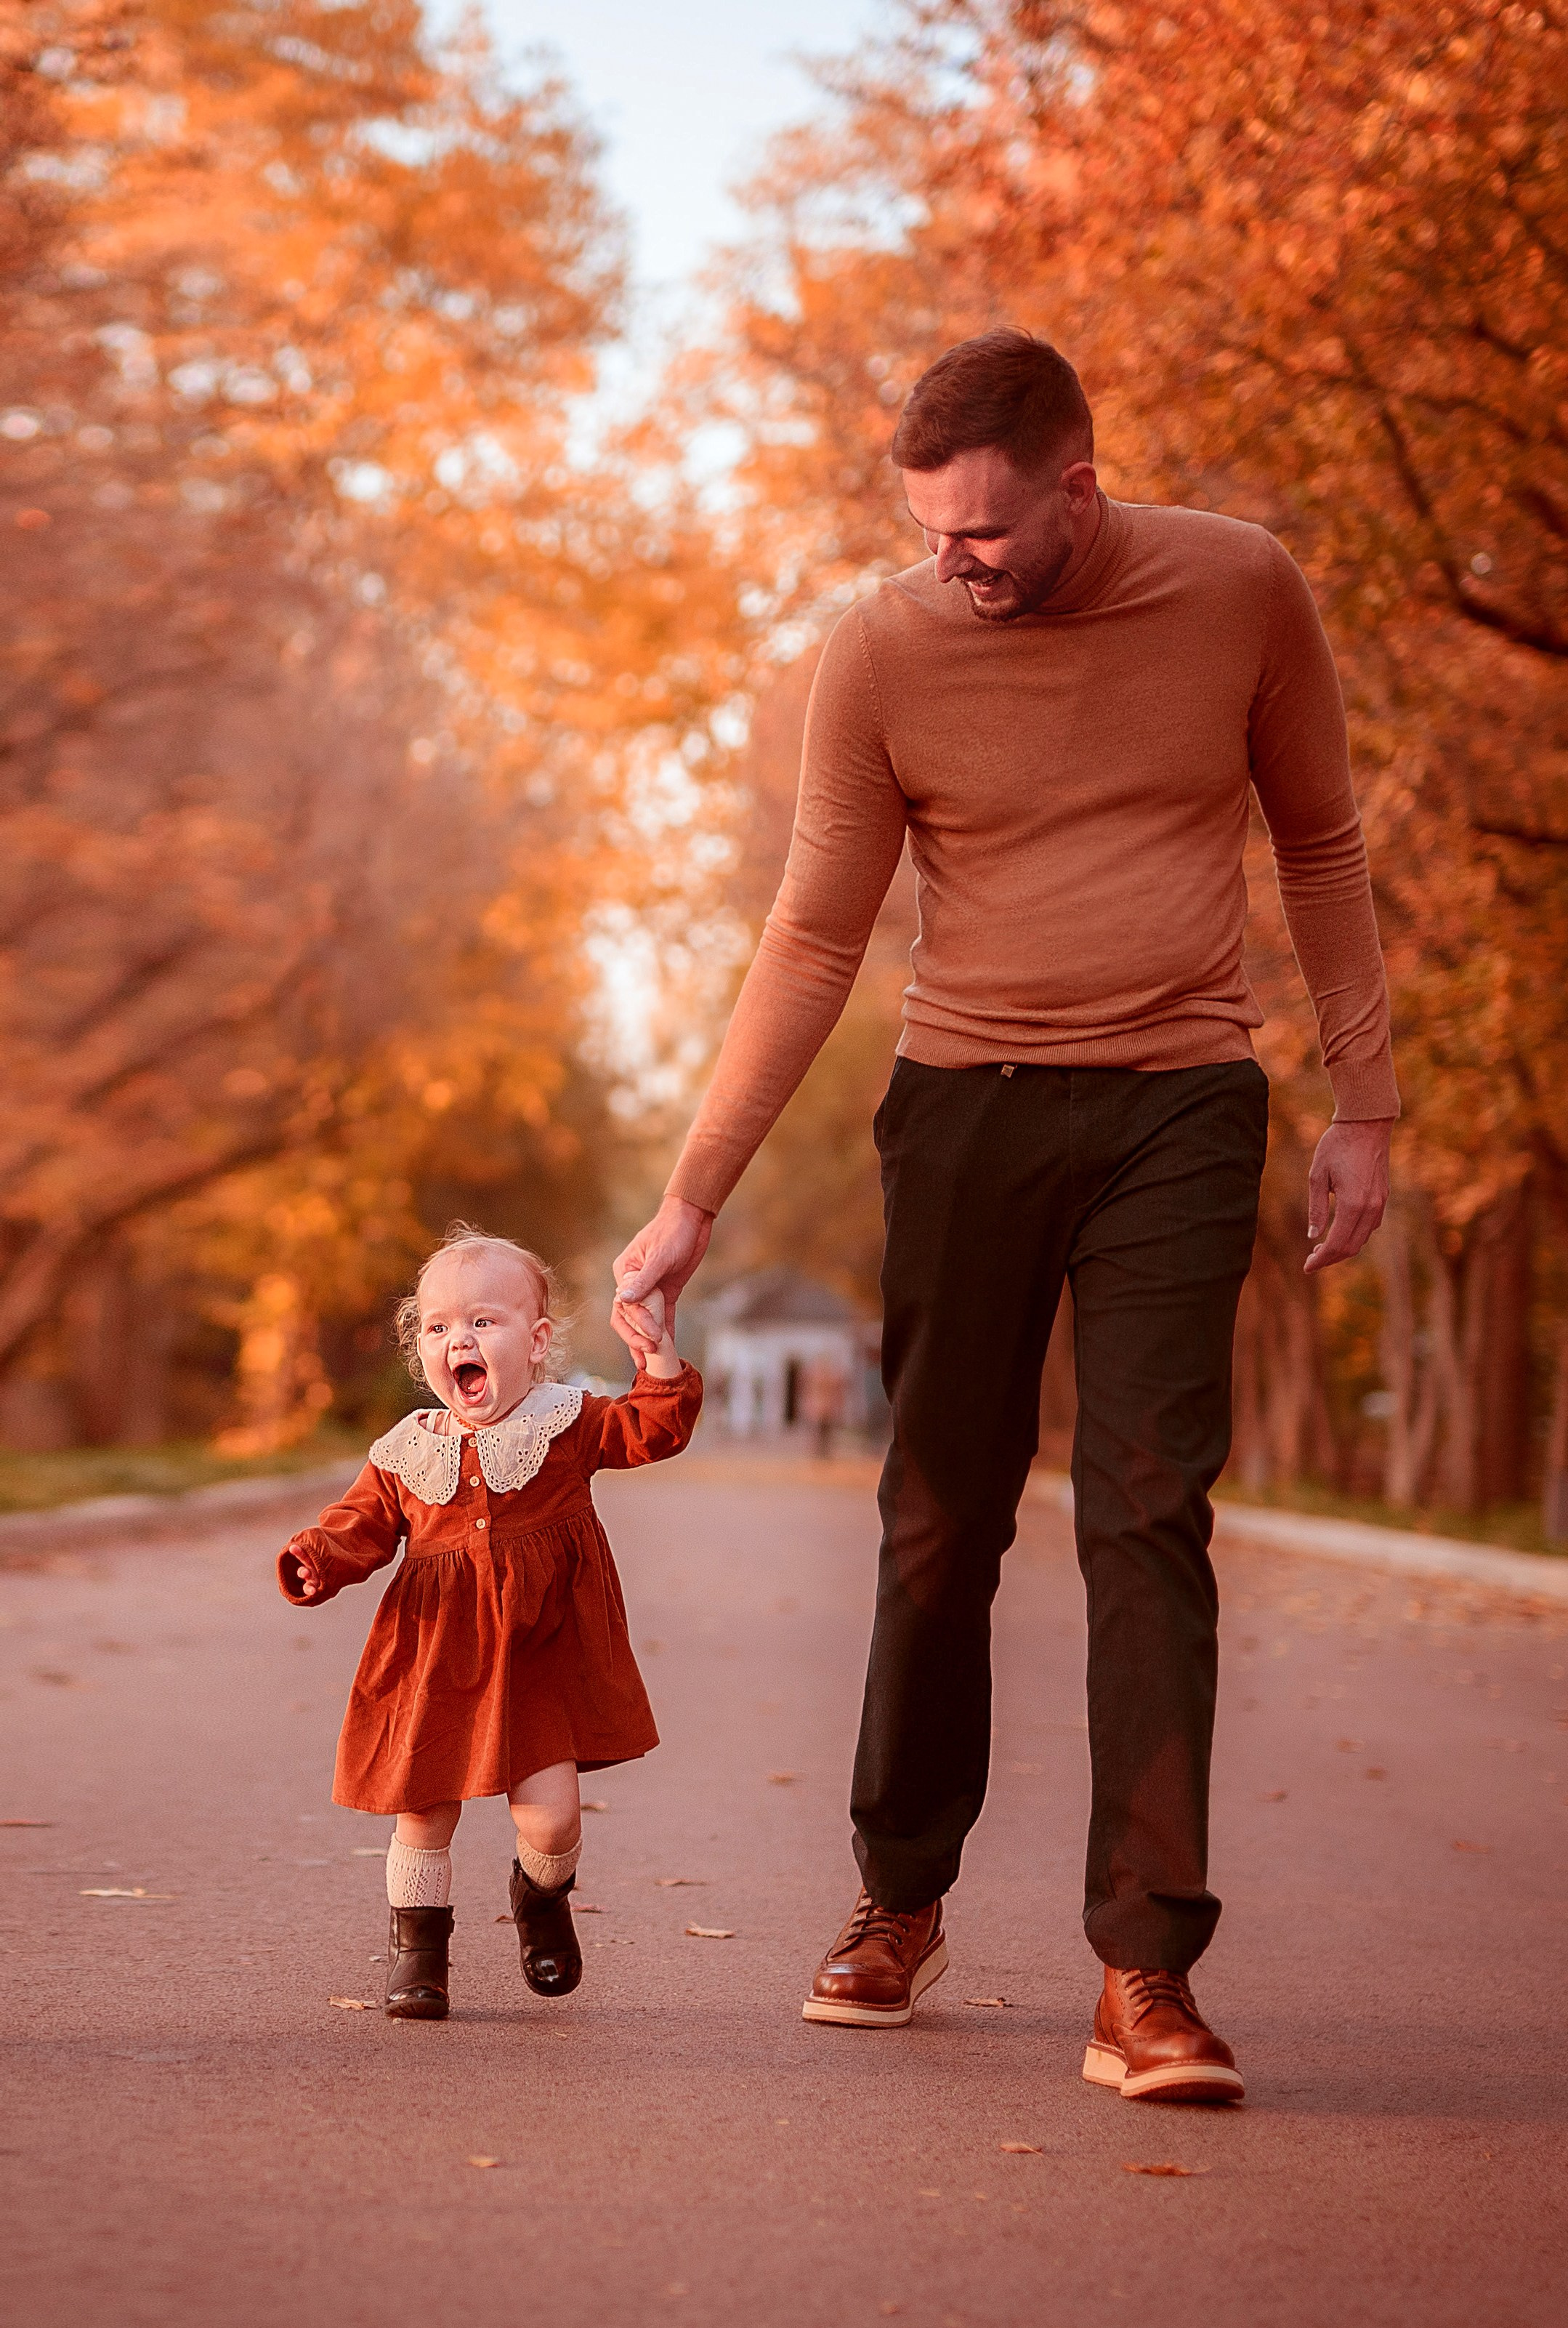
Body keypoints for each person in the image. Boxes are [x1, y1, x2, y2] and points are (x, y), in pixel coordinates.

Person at [614, 329, 1396, 2104]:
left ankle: (1145, 1968)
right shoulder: (880, 648)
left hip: (1183, 1101)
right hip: (963, 1106)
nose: (946, 562)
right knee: (937, 1516)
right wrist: (692, 1195)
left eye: (979, 531)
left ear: (1076, 488)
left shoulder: (1239, 589)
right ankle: (898, 1897)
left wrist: (1366, 1101)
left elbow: (1322, 842)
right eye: (927, 530)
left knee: (1146, 1513)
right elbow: (813, 934)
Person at [278, 1225, 700, 2021]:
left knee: (553, 1816)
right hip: (432, 1656)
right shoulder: (409, 1449)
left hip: (539, 1658)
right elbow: (361, 1524)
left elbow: (653, 1428)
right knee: (424, 1808)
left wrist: (660, 1360)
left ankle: (540, 1895)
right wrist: (318, 1557)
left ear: (537, 1342)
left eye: (483, 1321)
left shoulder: (566, 1424)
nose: (457, 1339)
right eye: (437, 1327)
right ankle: (419, 1952)